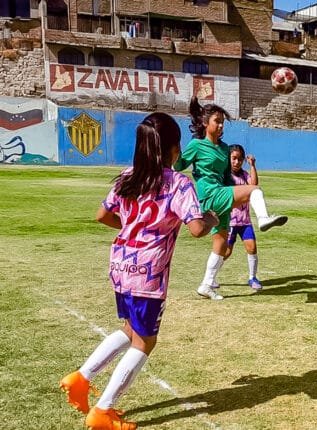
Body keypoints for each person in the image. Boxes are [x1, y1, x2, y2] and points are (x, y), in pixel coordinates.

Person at [59, 113, 218, 430]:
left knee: (131, 329)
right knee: (145, 342)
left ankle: (81, 378)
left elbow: (102, 215)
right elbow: (198, 229)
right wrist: (213, 218)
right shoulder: (178, 183)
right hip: (148, 272)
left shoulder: (126, 176)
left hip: (120, 264)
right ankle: (103, 411)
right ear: (174, 150)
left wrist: (132, 227)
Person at [175, 97, 287, 300]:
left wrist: (236, 194)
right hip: (209, 195)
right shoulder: (197, 145)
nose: (220, 125)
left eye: (222, 122)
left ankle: (206, 285)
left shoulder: (225, 148)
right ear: (205, 123)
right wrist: (174, 152)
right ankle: (263, 219)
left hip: (221, 193)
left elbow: (227, 177)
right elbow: (178, 166)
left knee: (221, 244)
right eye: (216, 121)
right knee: (254, 190)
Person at [213, 144, 264, 291]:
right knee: (226, 252)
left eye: (240, 159)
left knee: (252, 248)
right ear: (228, 159)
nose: (237, 162)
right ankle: (211, 277)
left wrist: (252, 165)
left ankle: (252, 278)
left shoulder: (244, 175)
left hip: (245, 221)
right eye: (234, 158)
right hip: (230, 222)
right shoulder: (225, 176)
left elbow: (254, 185)